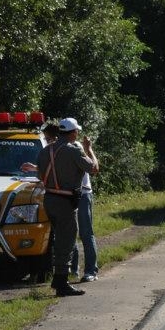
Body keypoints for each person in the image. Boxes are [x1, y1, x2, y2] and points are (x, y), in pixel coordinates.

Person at [37, 117, 99, 296]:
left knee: (59, 239)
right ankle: (61, 283)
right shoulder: (73, 150)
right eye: (76, 131)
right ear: (72, 133)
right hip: (65, 201)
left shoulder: (45, 151)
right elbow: (93, 168)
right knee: (68, 240)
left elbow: (40, 175)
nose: (77, 133)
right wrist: (90, 150)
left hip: (49, 199)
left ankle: (59, 279)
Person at [71, 140, 99, 283]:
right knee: (70, 233)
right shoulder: (60, 147)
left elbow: (94, 168)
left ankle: (91, 270)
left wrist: (89, 149)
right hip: (67, 195)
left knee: (86, 233)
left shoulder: (77, 146)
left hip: (83, 194)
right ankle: (73, 271)